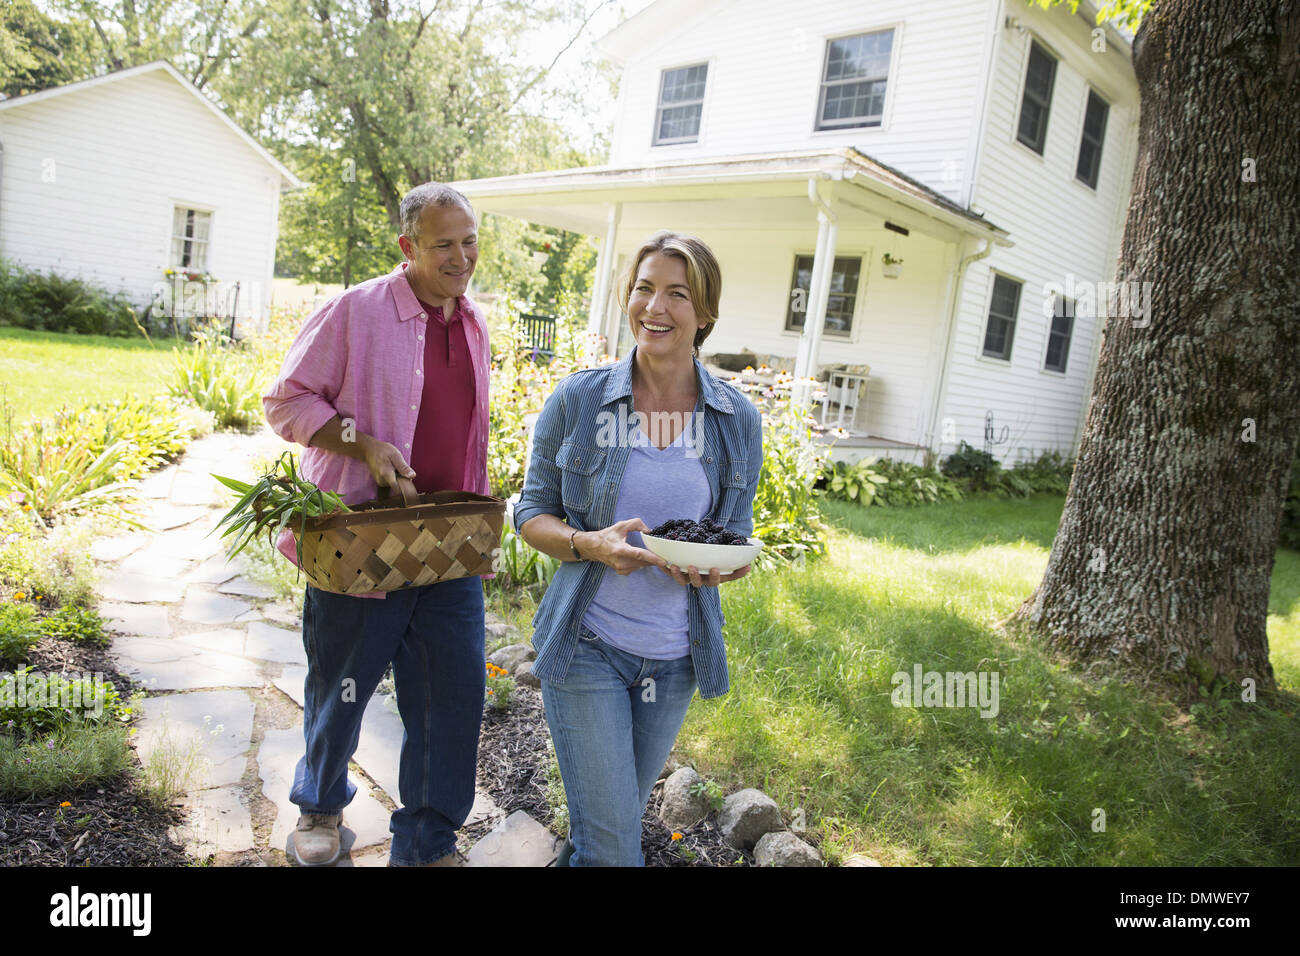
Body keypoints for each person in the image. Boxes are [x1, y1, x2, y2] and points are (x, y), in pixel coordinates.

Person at [514, 231, 763, 866]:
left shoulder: (735, 418)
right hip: (587, 646)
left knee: (608, 829)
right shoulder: (579, 400)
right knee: (615, 849)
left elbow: (734, 531)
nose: (655, 306)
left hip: (673, 659)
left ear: (703, 314)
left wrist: (720, 568)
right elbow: (530, 513)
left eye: (677, 294)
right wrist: (588, 544)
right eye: (644, 288)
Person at [262, 182, 491, 867]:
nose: (461, 257)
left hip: (446, 543)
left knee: (453, 698)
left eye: (470, 240)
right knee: (342, 686)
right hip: (363, 542)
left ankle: (426, 840)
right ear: (407, 247)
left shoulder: (473, 319)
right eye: (443, 243)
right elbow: (286, 401)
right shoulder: (354, 311)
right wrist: (363, 444)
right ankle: (321, 805)